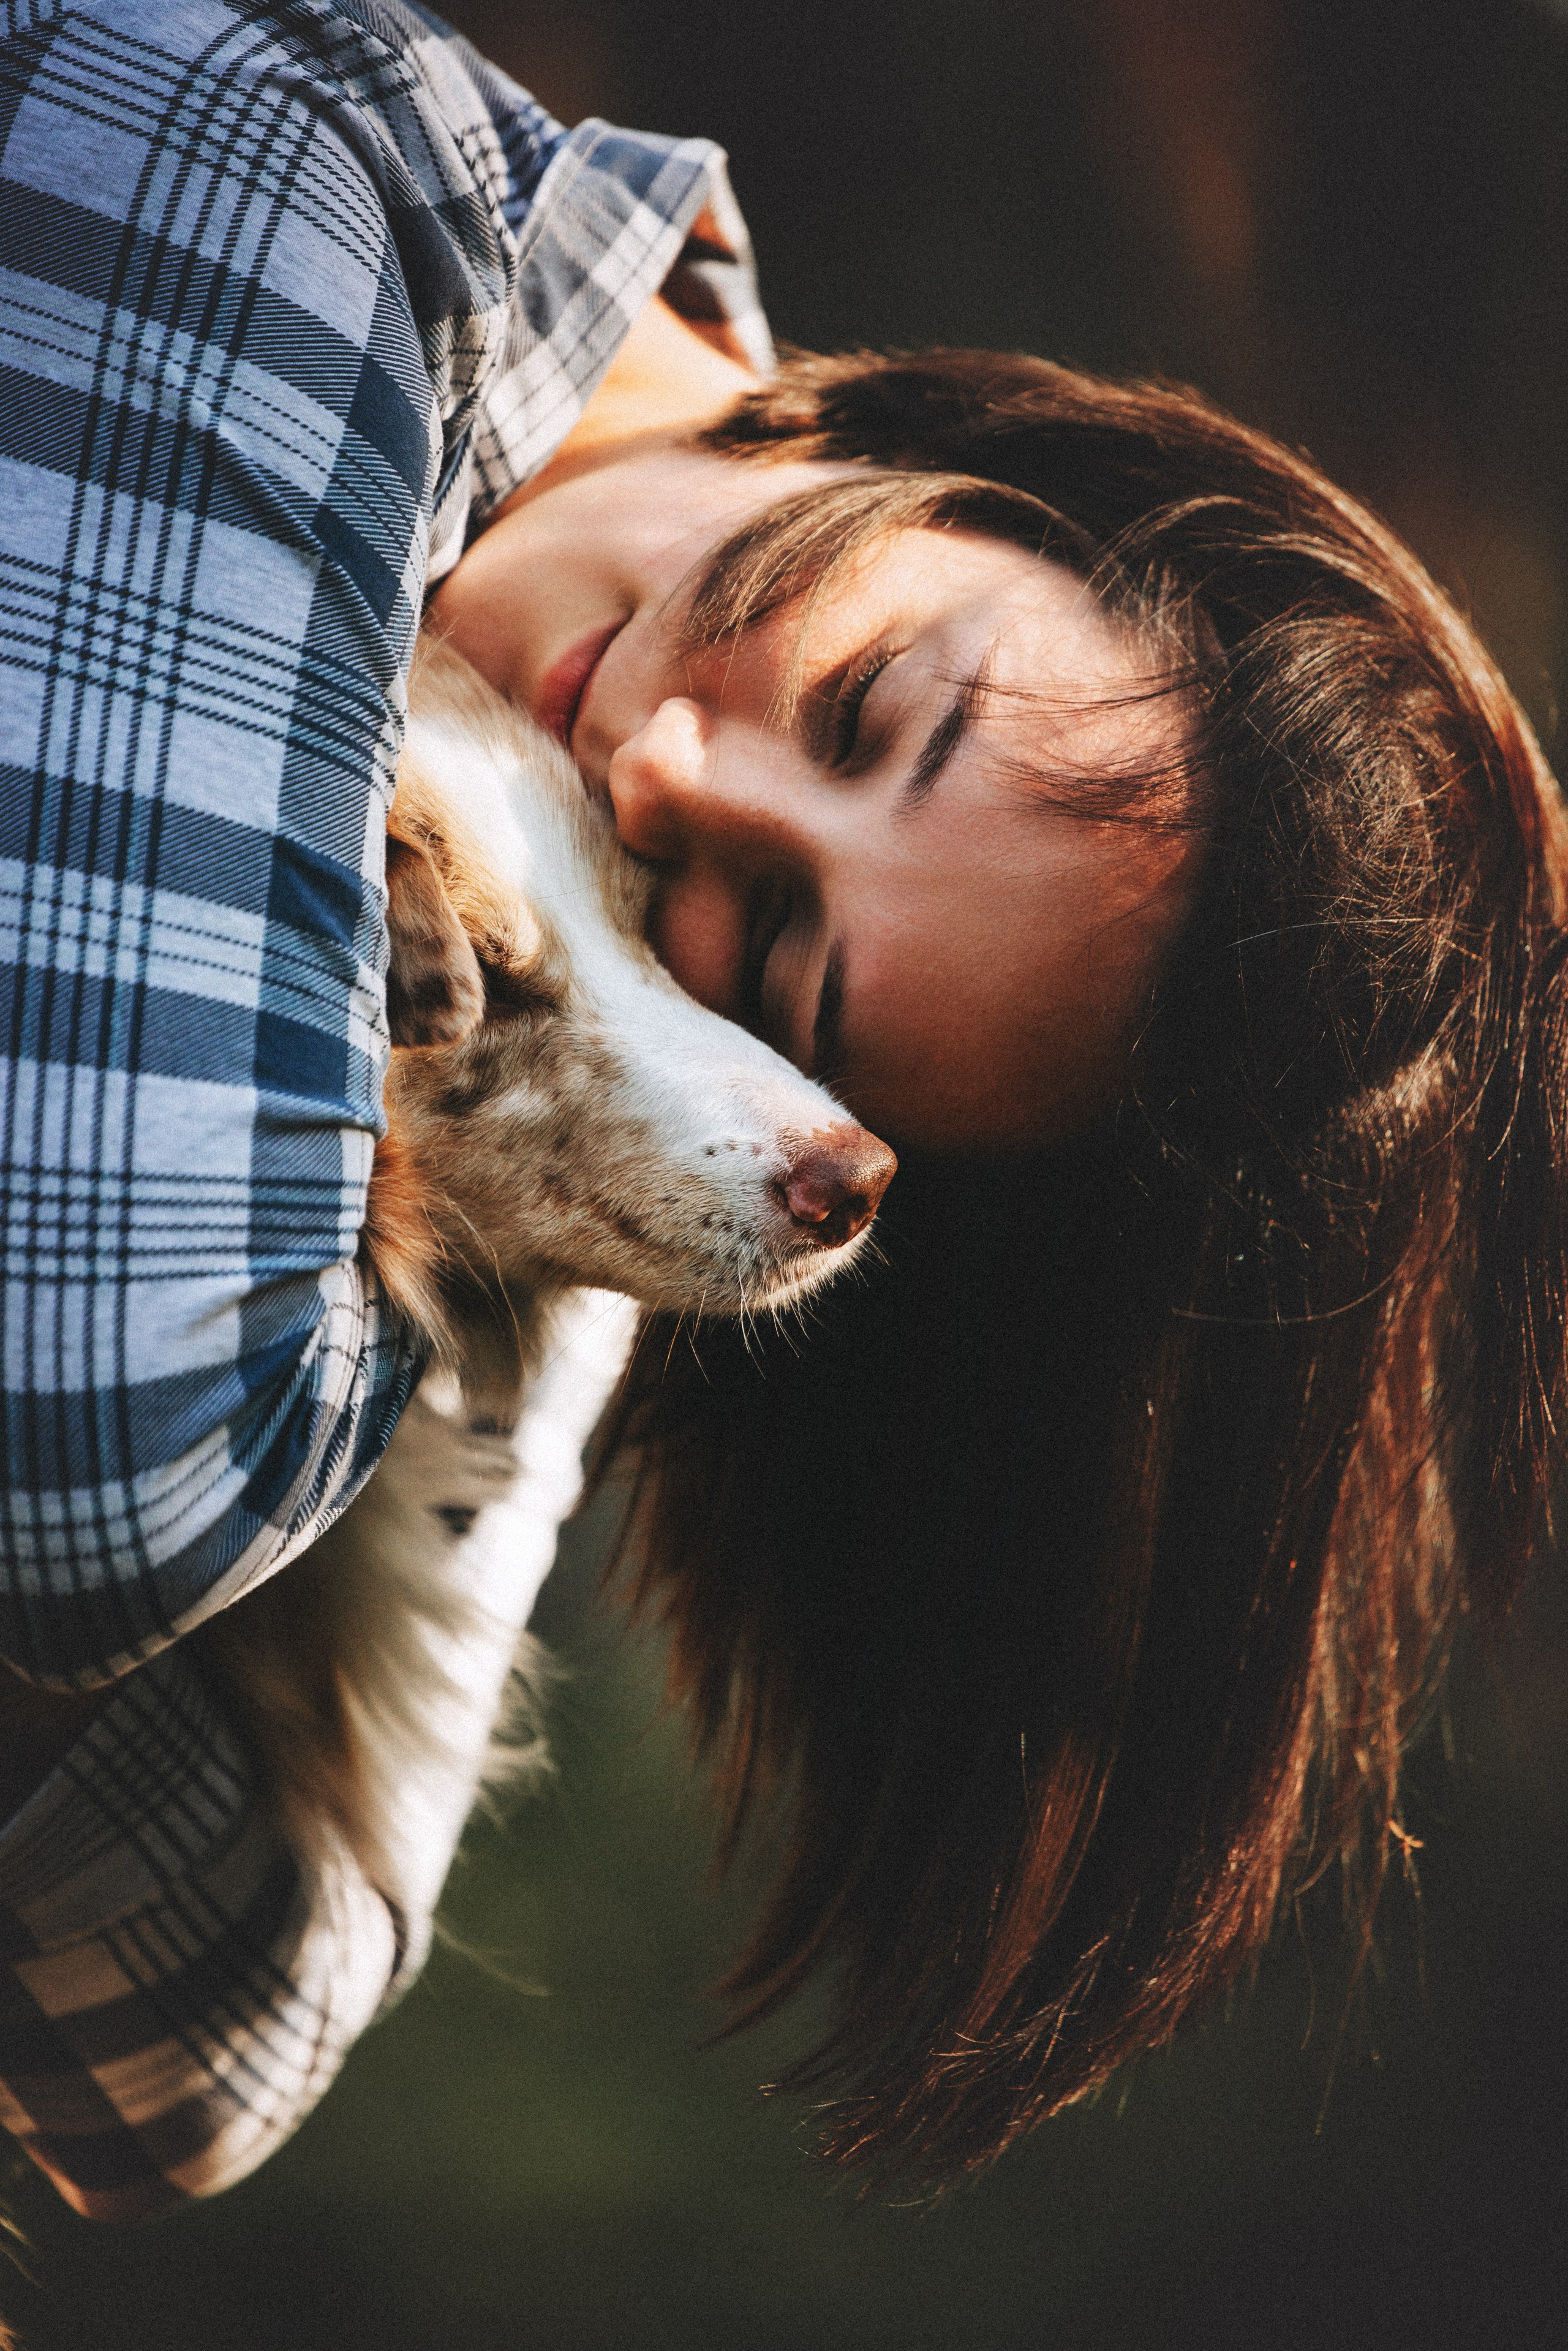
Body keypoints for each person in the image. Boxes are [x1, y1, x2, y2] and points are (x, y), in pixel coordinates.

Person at [2, 0, 1564, 2216]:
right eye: (863, 704)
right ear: (947, 455)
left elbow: (191, 2045)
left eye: (765, 955)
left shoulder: (548, 987)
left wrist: (503, 1184)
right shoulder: (292, 189)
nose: (661, 773)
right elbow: (98, 1445)